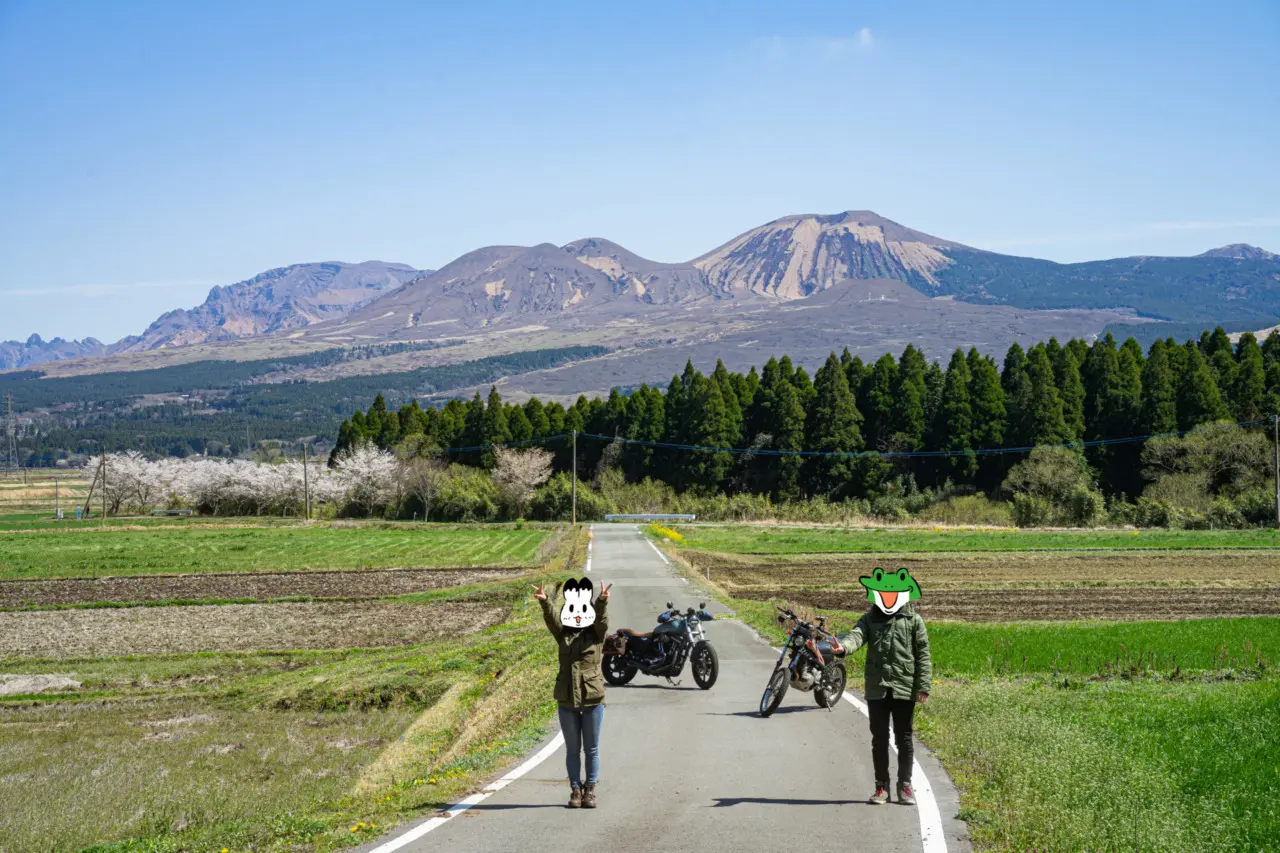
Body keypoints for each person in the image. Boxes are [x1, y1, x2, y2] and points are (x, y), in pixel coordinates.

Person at [829, 567, 932, 806]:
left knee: (904, 738)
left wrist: (923, 686)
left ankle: (905, 786)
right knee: (879, 739)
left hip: (904, 686)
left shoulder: (913, 620)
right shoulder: (869, 618)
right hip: (877, 687)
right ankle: (881, 787)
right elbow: (856, 636)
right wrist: (843, 648)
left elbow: (923, 655)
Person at [534, 576, 611, 809]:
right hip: (567, 699)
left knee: (592, 749)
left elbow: (603, 621)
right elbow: (552, 620)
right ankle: (575, 790)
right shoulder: (563, 634)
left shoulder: (596, 635)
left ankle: (590, 790)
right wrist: (545, 601)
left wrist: (602, 602)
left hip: (592, 700)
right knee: (572, 750)